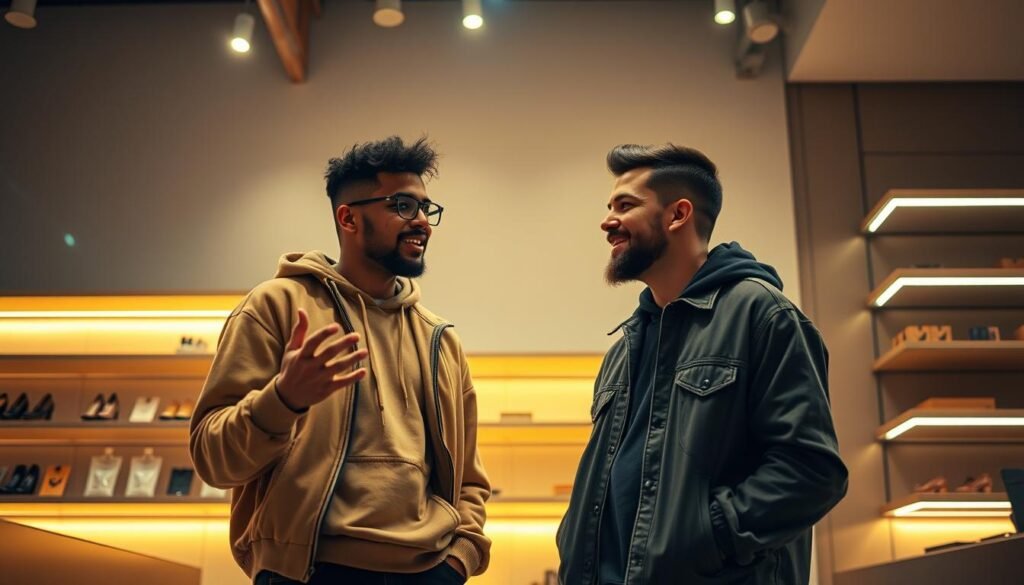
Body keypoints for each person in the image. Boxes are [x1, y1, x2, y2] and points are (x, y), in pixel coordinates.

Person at [190, 136, 490, 585]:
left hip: (428, 571)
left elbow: (469, 479)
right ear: (348, 217)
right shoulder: (276, 306)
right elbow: (213, 459)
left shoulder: (439, 339)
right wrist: (283, 399)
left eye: (428, 209)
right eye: (404, 206)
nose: (423, 222)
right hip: (306, 570)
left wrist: (460, 557)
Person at [557, 143, 848, 585]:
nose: (607, 220)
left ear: (678, 215)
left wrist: (705, 536)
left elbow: (810, 472)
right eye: (609, 205)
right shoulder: (626, 345)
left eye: (625, 205)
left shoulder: (762, 314)